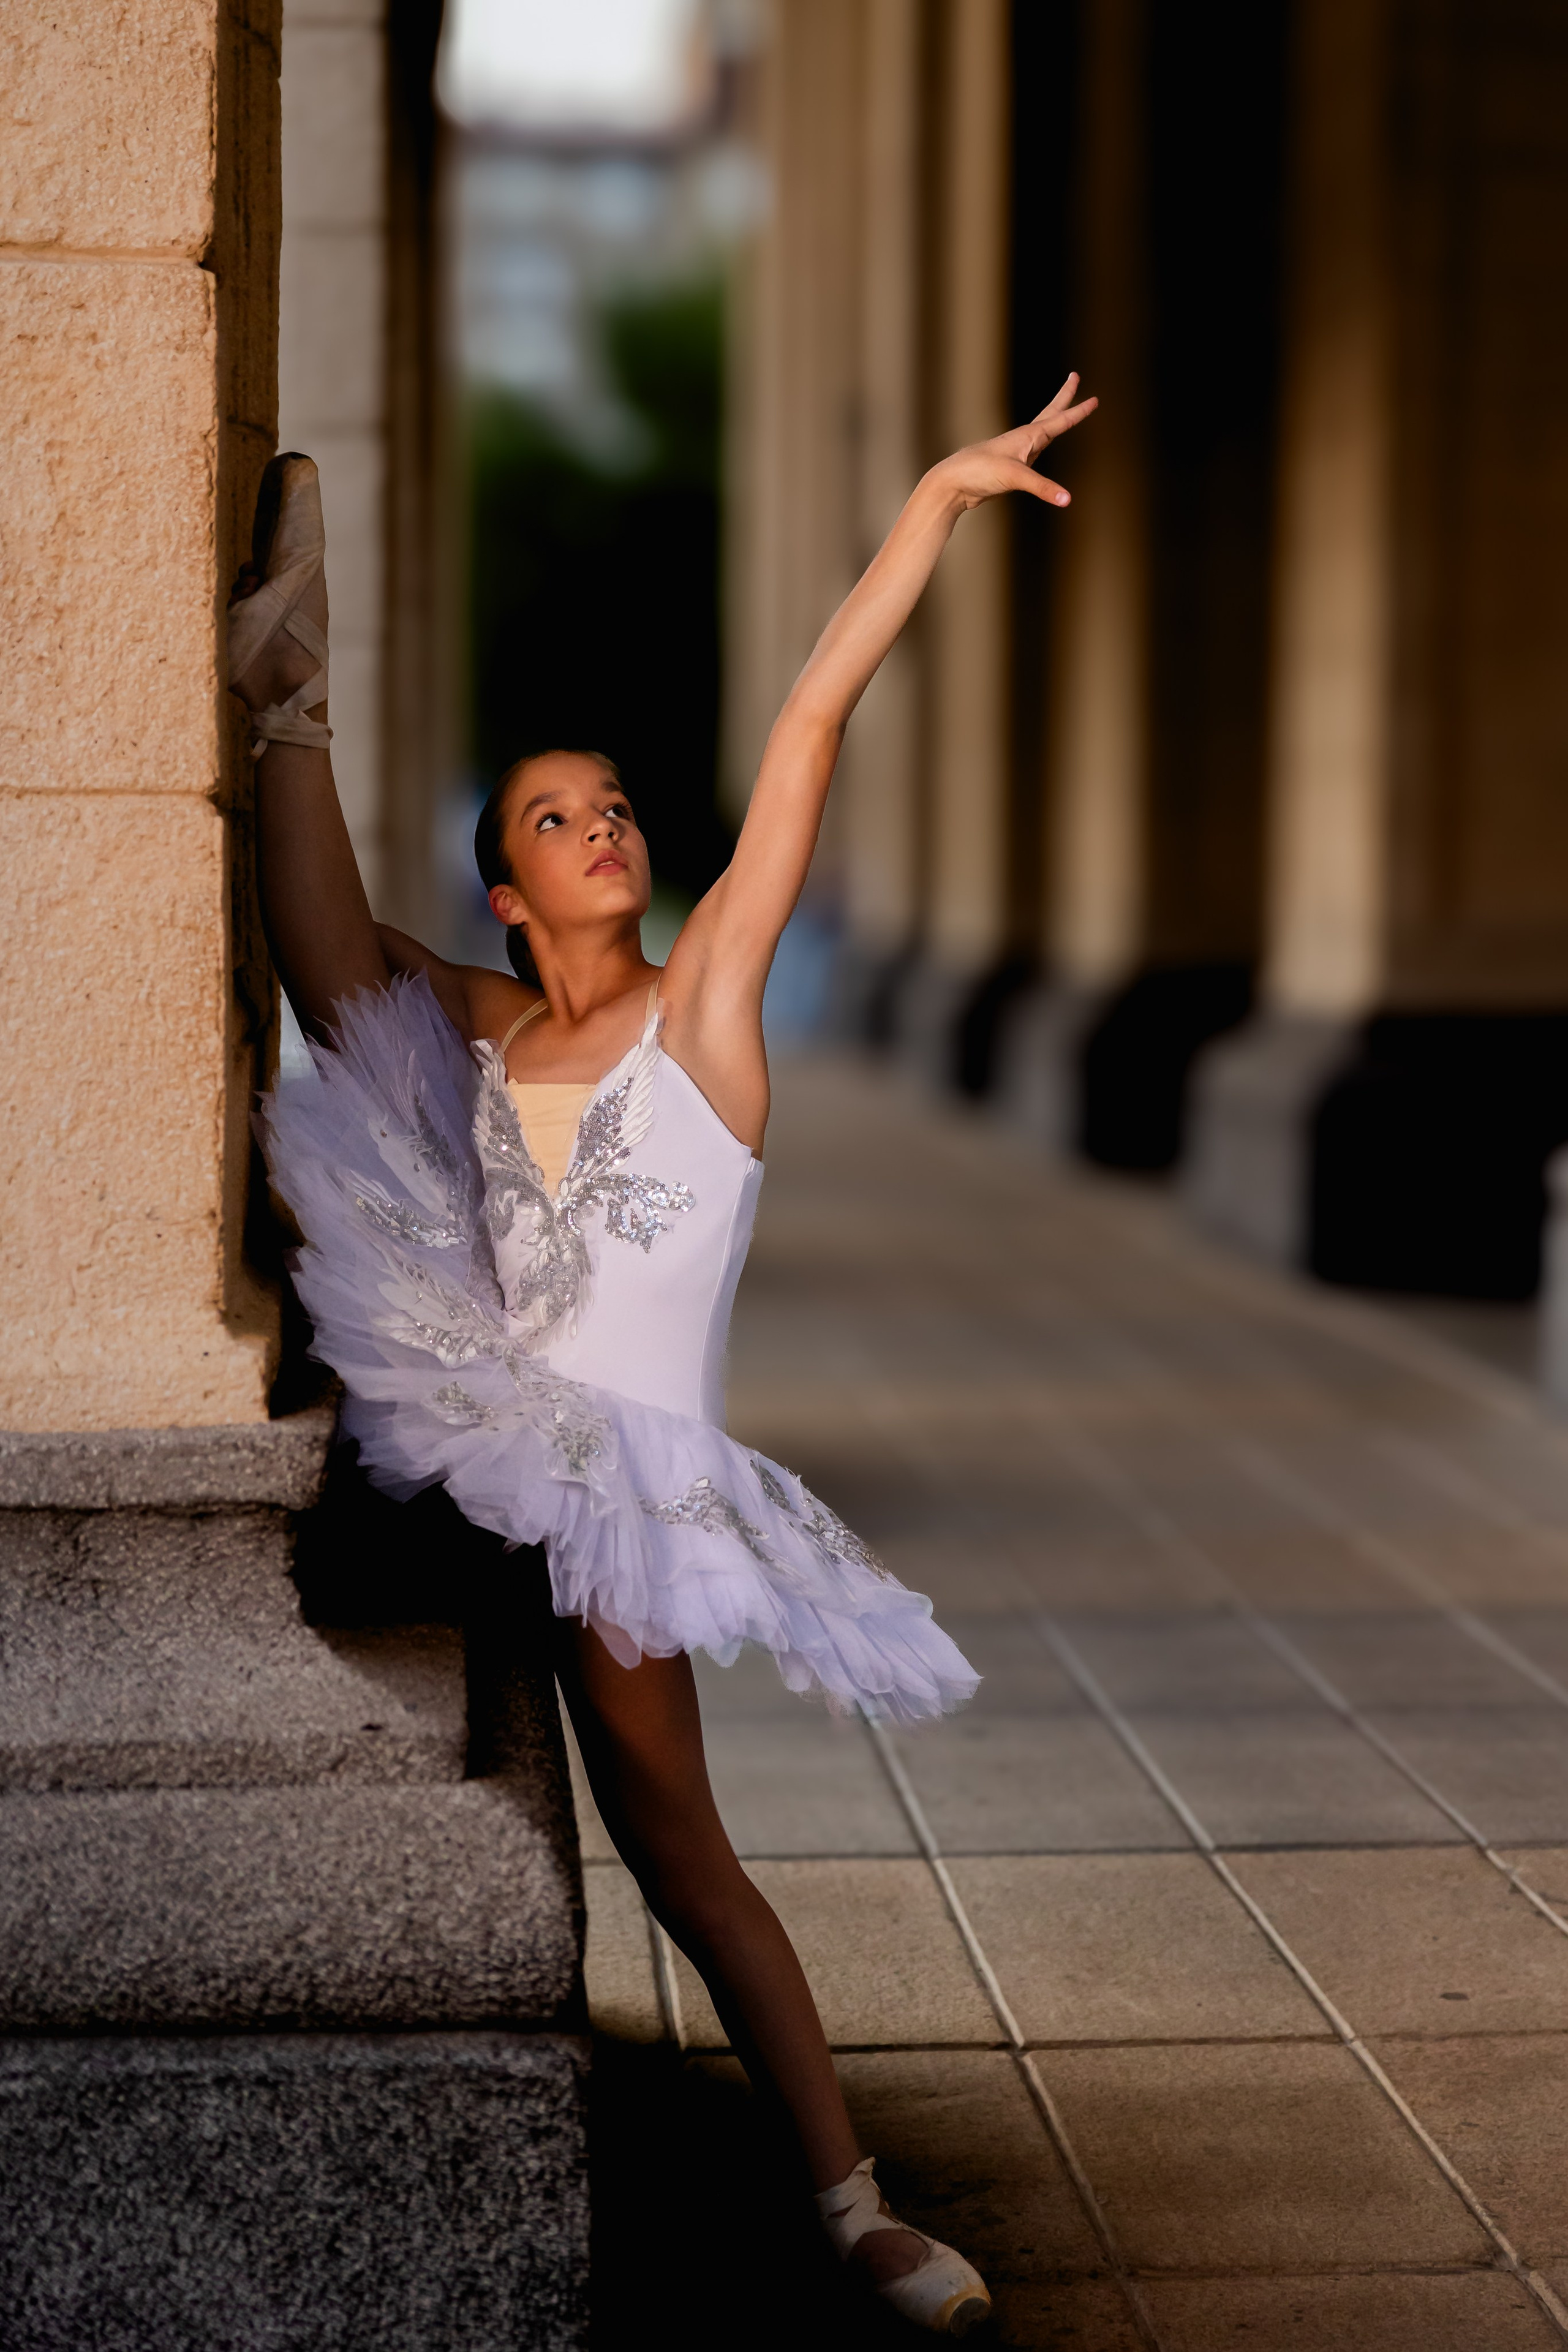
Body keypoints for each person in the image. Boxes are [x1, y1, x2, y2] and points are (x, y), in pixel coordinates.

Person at [230, 373, 1096, 2336]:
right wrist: (291, 711)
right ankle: (281, 685)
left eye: (613, 803)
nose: (603, 827)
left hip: (621, 1482)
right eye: (557, 818)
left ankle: (851, 2208)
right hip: (467, 1429)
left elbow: (806, 727)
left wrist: (938, 504)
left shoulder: (699, 1020)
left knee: (678, 1846)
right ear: (509, 894)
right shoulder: (474, 1027)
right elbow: (324, 957)